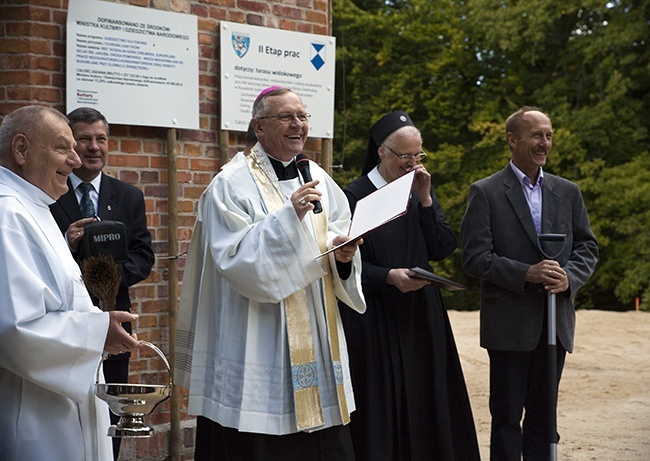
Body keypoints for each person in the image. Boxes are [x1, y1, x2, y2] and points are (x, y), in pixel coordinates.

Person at [175, 86, 366, 461]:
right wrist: (288, 218)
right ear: (258, 127)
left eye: (302, 116)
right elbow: (233, 259)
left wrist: (343, 255)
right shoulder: (229, 184)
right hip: (257, 334)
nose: (298, 125)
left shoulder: (319, 178)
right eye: (286, 117)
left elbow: (335, 231)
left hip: (315, 328)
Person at [0, 105, 140, 461]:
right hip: (35, 410)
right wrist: (96, 331)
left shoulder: (33, 205)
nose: (77, 161)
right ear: (21, 149)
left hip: (59, 398)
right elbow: (15, 329)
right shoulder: (8, 214)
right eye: (64, 148)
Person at [339, 111, 481, 460]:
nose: (413, 163)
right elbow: (342, 264)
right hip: (375, 317)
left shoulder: (417, 189)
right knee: (380, 404)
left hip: (421, 315)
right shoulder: (352, 196)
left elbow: (443, 247)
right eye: (406, 156)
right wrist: (388, 277)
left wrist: (427, 199)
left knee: (426, 397)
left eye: (419, 155)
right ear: (381, 152)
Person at [460, 106, 598, 461]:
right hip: (509, 327)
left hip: (555, 325)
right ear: (512, 140)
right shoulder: (486, 192)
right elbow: (474, 257)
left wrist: (570, 277)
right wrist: (526, 273)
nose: (544, 143)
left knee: (543, 418)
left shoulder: (567, 192)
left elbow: (587, 246)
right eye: (536, 135)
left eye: (549, 135)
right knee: (506, 420)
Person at [49, 107, 155, 460]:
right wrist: (68, 244)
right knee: (67, 408)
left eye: (101, 139)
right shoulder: (51, 193)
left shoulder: (128, 196)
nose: (94, 147)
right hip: (65, 321)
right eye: (84, 139)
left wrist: (108, 273)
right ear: (70, 146)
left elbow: (143, 255)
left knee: (111, 412)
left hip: (113, 322)